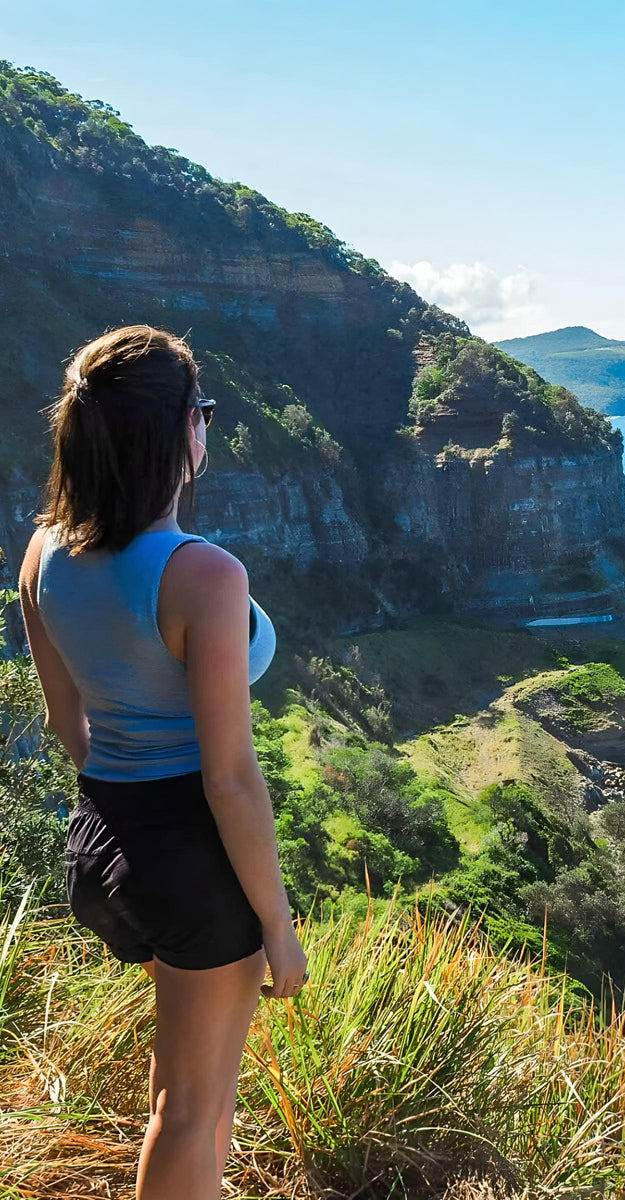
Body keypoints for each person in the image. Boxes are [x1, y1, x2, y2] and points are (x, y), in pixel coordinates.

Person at [18, 326, 307, 1200]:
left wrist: (126, 814)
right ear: (183, 430)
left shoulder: (42, 555)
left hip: (101, 840)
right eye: (204, 410)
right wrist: (279, 923)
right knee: (189, 1113)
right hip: (191, 860)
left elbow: (68, 720)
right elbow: (229, 777)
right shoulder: (204, 577)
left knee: (186, 1095)